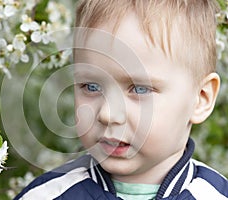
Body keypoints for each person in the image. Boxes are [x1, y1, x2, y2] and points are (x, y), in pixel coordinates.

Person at [14, 0, 228, 199]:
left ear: (201, 99)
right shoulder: (47, 195)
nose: (107, 114)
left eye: (140, 89)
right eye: (91, 87)